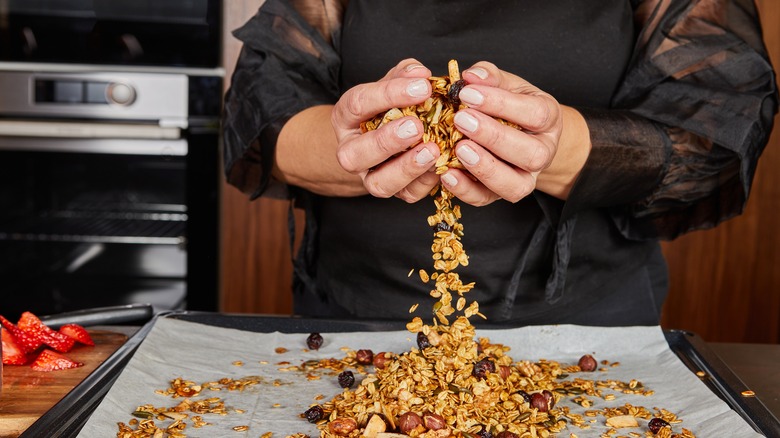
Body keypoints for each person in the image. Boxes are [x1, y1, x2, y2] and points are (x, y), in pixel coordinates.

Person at [222, 0, 777, 326]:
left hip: (588, 324)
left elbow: (716, 130)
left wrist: (555, 148)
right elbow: (259, 113)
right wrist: (357, 142)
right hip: (354, 316)